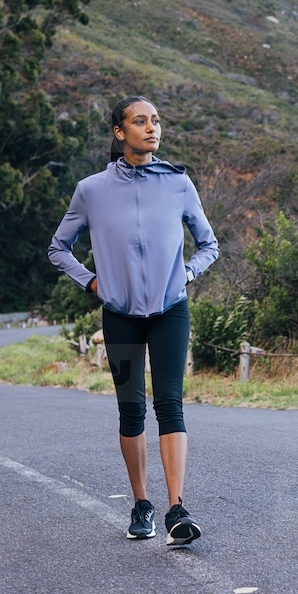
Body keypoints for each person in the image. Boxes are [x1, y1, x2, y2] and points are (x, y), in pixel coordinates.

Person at [48, 95, 218, 545]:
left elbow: (209, 244)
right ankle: (141, 503)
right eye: (140, 122)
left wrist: (185, 274)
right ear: (120, 132)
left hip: (169, 310)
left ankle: (176, 509)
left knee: (171, 405)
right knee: (131, 411)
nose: (151, 128)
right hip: (120, 315)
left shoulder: (179, 183)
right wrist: (90, 282)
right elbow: (58, 248)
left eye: (156, 121)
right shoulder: (91, 190)